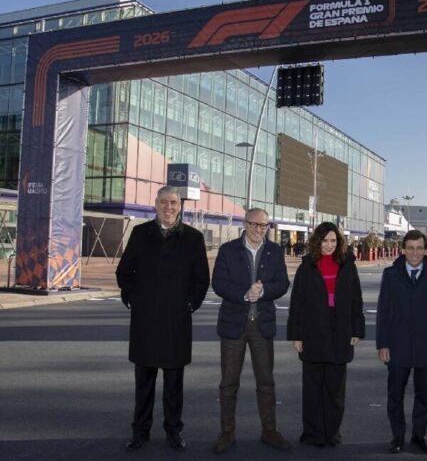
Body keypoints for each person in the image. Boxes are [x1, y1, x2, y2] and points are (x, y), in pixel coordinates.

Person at [116, 185, 210, 452]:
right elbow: (124, 273)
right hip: (145, 321)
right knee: (143, 384)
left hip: (176, 322)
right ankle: (140, 431)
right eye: (163, 202)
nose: (168, 207)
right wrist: (132, 298)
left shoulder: (193, 238)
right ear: (155, 204)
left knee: (174, 385)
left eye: (173, 203)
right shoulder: (140, 234)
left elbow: (202, 279)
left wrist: (189, 305)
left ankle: (173, 431)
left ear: (180, 206)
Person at [211, 207, 291, 453]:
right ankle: (227, 433)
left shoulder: (275, 251)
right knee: (228, 383)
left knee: (266, 382)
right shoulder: (228, 250)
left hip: (262, 326)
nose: (259, 229)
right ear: (244, 224)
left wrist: (264, 291)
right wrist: (244, 295)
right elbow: (219, 283)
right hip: (234, 324)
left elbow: (283, 283)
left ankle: (269, 431)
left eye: (263, 225)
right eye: (254, 224)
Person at [287, 222, 365, 447]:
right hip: (313, 331)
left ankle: (332, 433)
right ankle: (313, 434)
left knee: (335, 390)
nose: (329, 245)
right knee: (312, 389)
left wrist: (357, 329)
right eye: (325, 240)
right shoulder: (307, 267)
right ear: (317, 242)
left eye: (333, 240)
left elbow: (356, 300)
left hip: (340, 331)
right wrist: (296, 335)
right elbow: (297, 302)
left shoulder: (348, 265)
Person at [376, 230, 427, 454]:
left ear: (426, 250)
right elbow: (383, 312)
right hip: (397, 345)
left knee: (423, 395)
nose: (415, 253)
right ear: (403, 250)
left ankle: (419, 436)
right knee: (395, 395)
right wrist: (382, 344)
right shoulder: (391, 274)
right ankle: (397, 437)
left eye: (419, 248)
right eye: (410, 248)